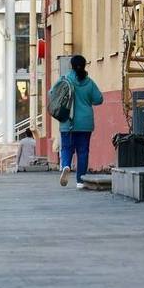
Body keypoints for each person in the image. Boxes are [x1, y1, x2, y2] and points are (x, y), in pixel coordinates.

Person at [54, 55, 103, 189]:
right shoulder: (89, 83)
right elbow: (99, 99)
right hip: (85, 122)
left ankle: (66, 166)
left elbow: (53, 93)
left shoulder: (65, 80)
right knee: (83, 151)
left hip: (67, 122)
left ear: (71, 66)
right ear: (84, 66)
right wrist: (87, 100)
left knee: (66, 148)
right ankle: (80, 181)